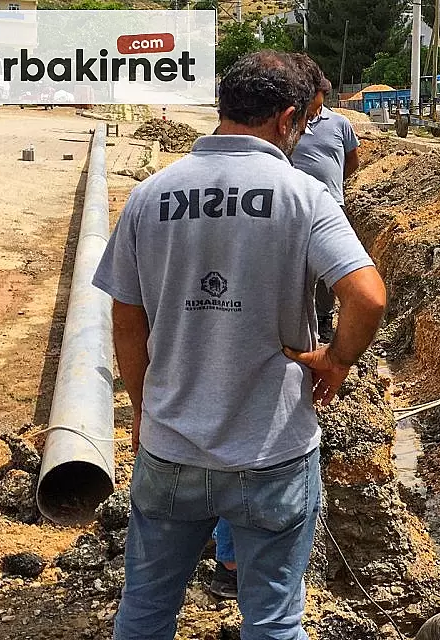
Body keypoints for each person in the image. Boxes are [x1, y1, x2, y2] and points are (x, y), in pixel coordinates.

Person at [93, 50, 387, 640]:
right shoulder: (305, 197)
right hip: (271, 449)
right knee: (274, 621)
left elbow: (126, 319)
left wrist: (144, 413)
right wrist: (336, 359)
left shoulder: (151, 195)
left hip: (172, 445)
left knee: (146, 611)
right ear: (285, 119)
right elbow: (369, 297)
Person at [289, 55, 361, 343]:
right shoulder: (289, 124)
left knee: (329, 267)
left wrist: (332, 187)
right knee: (297, 264)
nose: (313, 115)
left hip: (331, 204)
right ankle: (296, 317)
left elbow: (352, 161)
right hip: (294, 207)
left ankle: (324, 318)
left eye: (317, 108)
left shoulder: (340, 125)